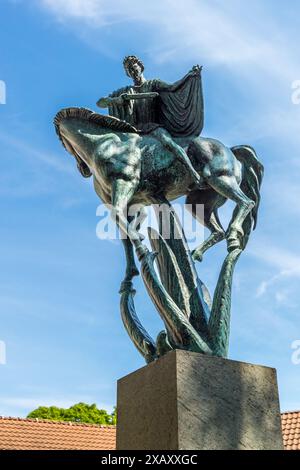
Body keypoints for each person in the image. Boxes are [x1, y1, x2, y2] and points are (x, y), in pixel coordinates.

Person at [97, 55, 204, 187]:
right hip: (133, 130)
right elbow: (100, 103)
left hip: (152, 127)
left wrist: (189, 75)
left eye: (134, 67)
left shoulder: (153, 84)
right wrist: (116, 100)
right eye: (129, 70)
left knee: (169, 143)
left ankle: (192, 172)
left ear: (141, 67)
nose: (132, 71)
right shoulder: (125, 91)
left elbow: (173, 87)